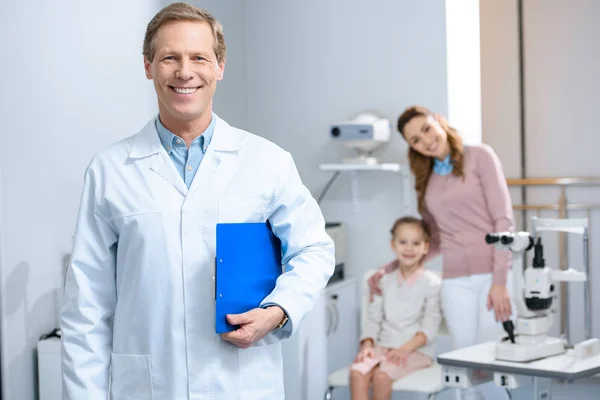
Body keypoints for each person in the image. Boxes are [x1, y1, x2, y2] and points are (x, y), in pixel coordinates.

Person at [60, 3, 334, 399]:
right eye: (169, 57)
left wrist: (277, 312)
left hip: (241, 383)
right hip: (149, 386)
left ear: (219, 66)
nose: (184, 72)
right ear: (148, 66)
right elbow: (86, 306)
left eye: (199, 57)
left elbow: (315, 250)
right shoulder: (109, 170)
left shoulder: (267, 161)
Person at [368, 105, 514, 399]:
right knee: (463, 361)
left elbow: (504, 221)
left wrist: (500, 282)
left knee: (494, 361)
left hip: (492, 274)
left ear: (439, 122)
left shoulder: (480, 156)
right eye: (415, 140)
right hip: (455, 279)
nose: (425, 141)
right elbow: (434, 240)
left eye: (426, 129)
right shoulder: (426, 179)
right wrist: (390, 267)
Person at [350, 216, 442, 400]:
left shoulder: (432, 283)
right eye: (403, 242)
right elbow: (373, 318)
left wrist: (404, 349)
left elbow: (429, 327)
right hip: (382, 347)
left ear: (425, 247)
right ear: (393, 245)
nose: (409, 248)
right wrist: (368, 344)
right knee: (357, 373)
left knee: (381, 377)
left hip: (416, 351)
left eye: (416, 243)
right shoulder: (383, 280)